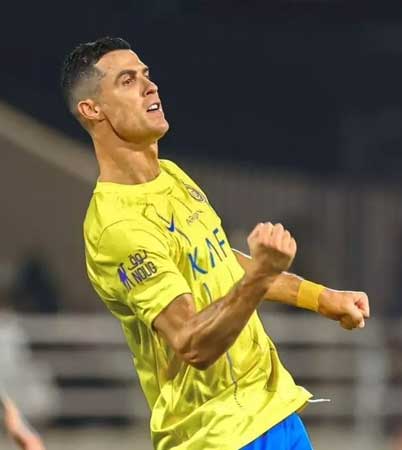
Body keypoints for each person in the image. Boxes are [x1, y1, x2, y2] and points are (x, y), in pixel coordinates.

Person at [61, 37, 370, 450]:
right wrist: (261, 275)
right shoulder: (117, 227)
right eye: (128, 81)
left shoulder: (171, 175)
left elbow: (219, 260)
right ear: (92, 109)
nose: (150, 87)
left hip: (273, 411)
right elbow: (192, 343)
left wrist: (322, 298)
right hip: (215, 434)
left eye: (147, 76)